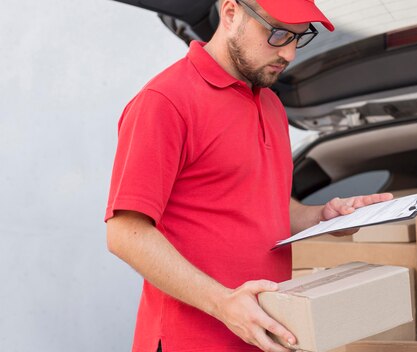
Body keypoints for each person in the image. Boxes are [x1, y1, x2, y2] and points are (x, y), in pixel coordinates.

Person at [104, 0, 392, 351]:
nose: (289, 54)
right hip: (190, 341)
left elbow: (263, 206)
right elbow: (125, 233)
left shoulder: (271, 104)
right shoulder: (165, 101)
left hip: (262, 335)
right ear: (230, 13)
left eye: (299, 38)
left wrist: (322, 217)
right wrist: (224, 304)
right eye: (278, 34)